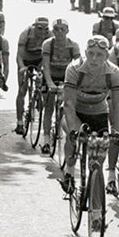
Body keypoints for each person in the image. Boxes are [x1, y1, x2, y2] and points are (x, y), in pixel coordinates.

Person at [62, 35, 119, 195]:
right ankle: (69, 171)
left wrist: (117, 133)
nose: (94, 59)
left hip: (99, 112)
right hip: (76, 112)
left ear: (106, 56)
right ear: (85, 52)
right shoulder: (74, 69)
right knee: (74, 139)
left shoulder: (114, 72)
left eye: (99, 55)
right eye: (90, 53)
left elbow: (118, 106)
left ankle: (102, 180)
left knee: (98, 157)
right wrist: (72, 131)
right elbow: (69, 104)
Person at [39, 18, 81, 155]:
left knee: (69, 105)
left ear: (67, 31)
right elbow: (45, 66)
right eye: (56, 29)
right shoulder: (48, 44)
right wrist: (50, 83)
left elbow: (77, 68)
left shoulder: (73, 45)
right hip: (51, 75)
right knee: (49, 105)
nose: (59, 32)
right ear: (53, 31)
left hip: (67, 77)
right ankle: (46, 140)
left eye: (62, 29)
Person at [12, 14, 51, 134]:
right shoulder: (26, 34)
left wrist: (44, 69)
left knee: (44, 77)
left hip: (40, 60)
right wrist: (22, 67)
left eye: (45, 29)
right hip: (26, 59)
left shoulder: (50, 35)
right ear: (34, 27)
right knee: (22, 91)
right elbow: (19, 55)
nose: (42, 31)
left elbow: (49, 57)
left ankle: (38, 95)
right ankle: (19, 122)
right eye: (39, 28)